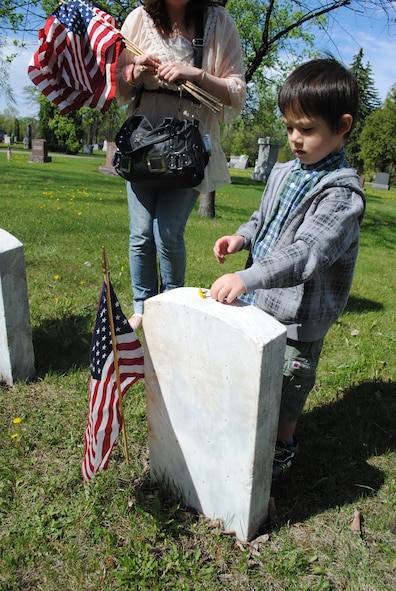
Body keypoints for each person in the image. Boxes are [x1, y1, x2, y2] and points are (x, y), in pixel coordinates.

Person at [210, 57, 366, 483]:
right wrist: (242, 237)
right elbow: (264, 219)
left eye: (308, 129)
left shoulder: (342, 194)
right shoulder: (284, 171)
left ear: (342, 126)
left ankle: (282, 446)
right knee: (253, 370)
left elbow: (305, 254)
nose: (295, 138)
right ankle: (250, 429)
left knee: (288, 385)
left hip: (300, 315)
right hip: (260, 299)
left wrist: (247, 276)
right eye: (289, 127)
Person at [116, 0, 246, 330]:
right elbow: (118, 84)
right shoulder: (137, 20)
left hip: (187, 151)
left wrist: (197, 74)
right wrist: (134, 73)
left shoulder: (218, 21)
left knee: (168, 232)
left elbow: (236, 91)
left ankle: (172, 305)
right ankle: (143, 307)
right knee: (141, 233)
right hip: (143, 148)